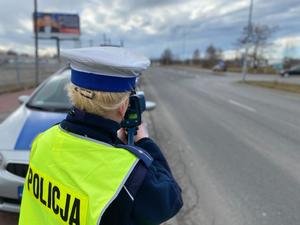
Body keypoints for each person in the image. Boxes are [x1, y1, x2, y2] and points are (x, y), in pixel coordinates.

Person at [18, 47, 183, 225]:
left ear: (73, 93)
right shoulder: (130, 175)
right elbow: (171, 199)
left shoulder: (43, 139)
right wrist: (143, 141)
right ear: (123, 106)